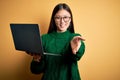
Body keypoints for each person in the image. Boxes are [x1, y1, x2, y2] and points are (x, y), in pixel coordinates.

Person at [30, 3, 85, 80]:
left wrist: (73, 50)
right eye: (58, 18)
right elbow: (35, 71)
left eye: (65, 17)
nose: (62, 21)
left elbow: (78, 56)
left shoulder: (75, 38)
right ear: (53, 19)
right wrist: (36, 59)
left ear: (70, 19)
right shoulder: (44, 39)